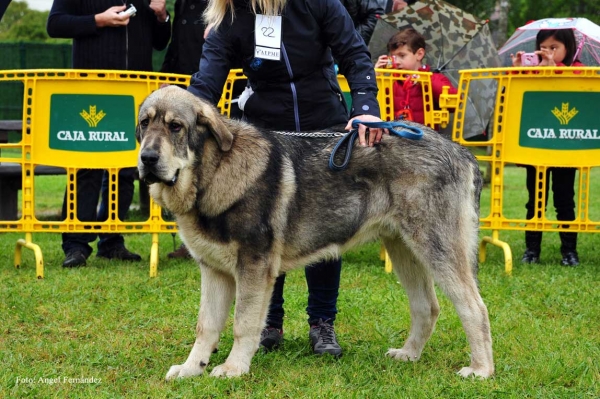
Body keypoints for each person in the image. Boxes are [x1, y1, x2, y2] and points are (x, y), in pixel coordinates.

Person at [187, 0, 386, 356]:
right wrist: (186, 113)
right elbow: (206, 81)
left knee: (325, 226)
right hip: (264, 133)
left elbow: (354, 53)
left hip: (323, 125)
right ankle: (270, 324)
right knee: (259, 232)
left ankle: (322, 323)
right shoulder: (229, 13)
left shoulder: (320, 3)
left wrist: (366, 109)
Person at [47, 0, 171, 267]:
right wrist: (98, 20)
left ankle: (112, 240)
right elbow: (54, 24)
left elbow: (160, 42)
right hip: (91, 91)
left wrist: (162, 16)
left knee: (127, 169)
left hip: (133, 95)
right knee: (87, 168)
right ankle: (76, 245)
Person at [510, 29, 583, 267]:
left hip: (565, 147)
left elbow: (582, 93)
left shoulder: (579, 69)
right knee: (535, 200)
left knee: (565, 200)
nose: (548, 52)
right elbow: (515, 97)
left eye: (554, 47)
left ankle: (569, 252)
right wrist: (518, 70)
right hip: (536, 145)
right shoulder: (532, 71)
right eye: (543, 47)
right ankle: (532, 250)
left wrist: (554, 70)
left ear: (568, 48)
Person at [375, 27, 457, 126]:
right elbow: (376, 103)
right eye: (393, 57)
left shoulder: (435, 78)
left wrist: (426, 81)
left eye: (402, 55)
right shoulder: (391, 82)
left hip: (425, 137)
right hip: (397, 136)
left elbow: (453, 103)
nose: (396, 62)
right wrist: (377, 76)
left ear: (419, 54)